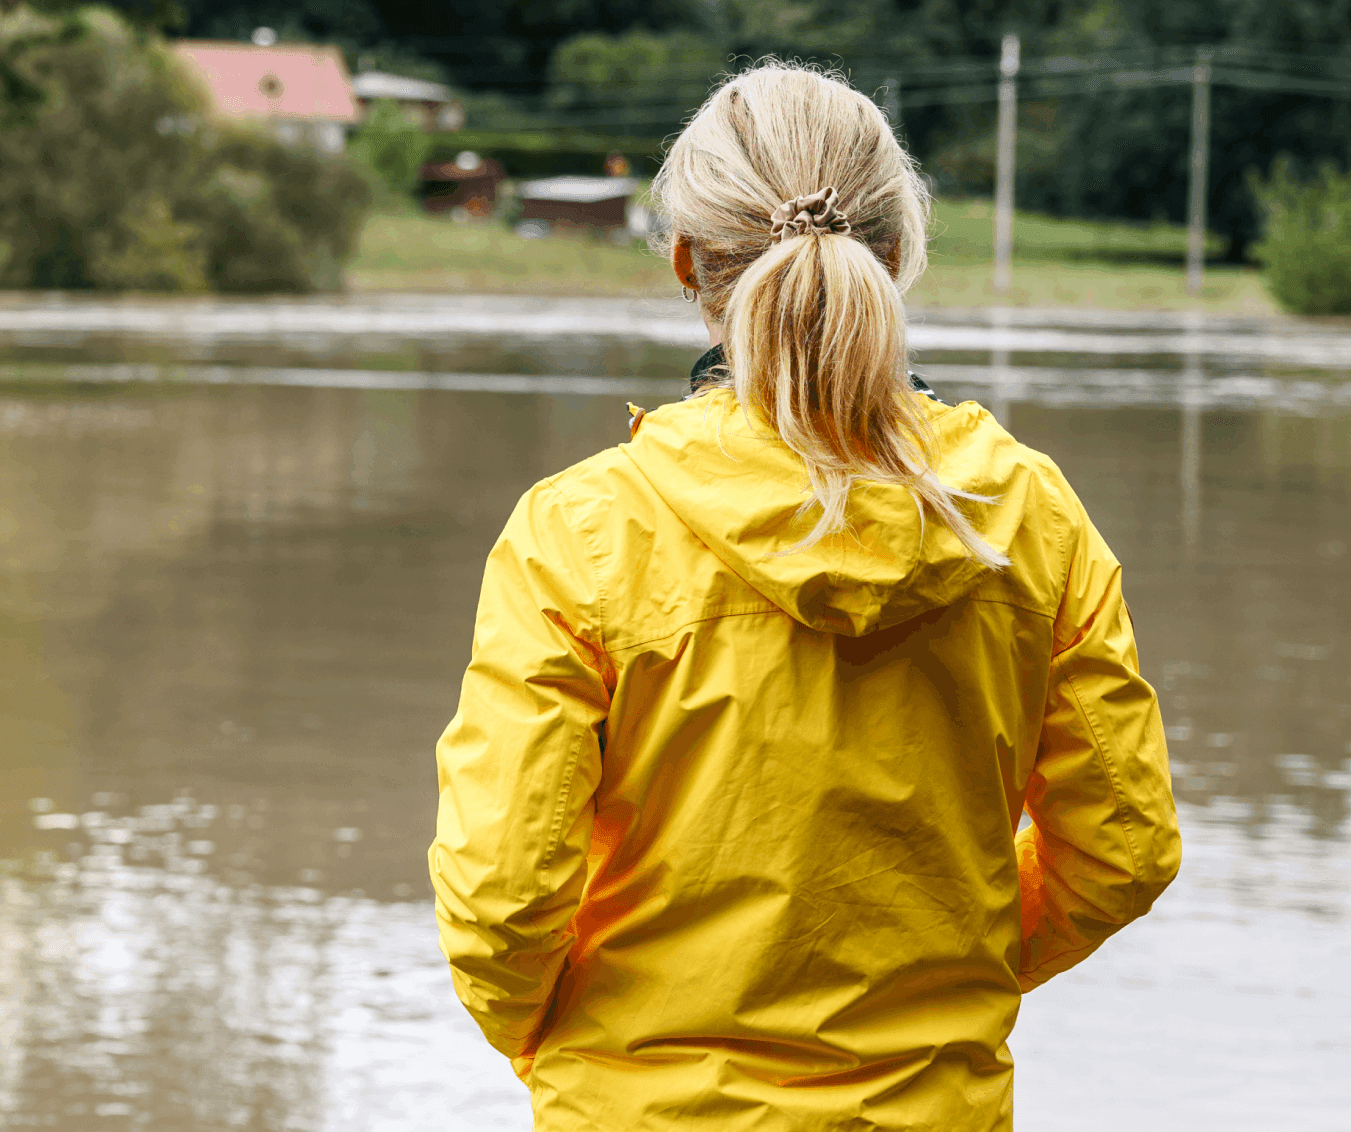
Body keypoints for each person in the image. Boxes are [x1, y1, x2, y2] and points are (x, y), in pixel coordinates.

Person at [428, 61, 1180, 1131]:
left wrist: (578, 1050)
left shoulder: (581, 532)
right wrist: (945, 971)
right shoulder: (1028, 516)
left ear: (687, 260)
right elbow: (1124, 850)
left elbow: (502, 906)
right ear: (897, 253)